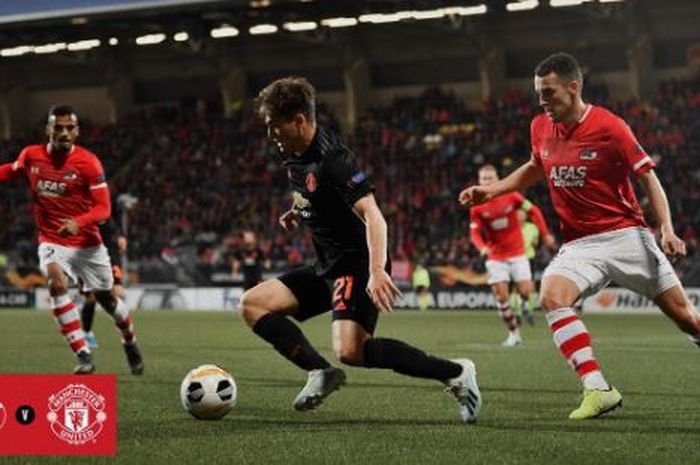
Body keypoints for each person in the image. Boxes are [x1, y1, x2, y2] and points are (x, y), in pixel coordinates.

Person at [459, 52, 700, 419]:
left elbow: (647, 177)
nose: (543, 101)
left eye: (550, 93)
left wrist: (665, 228)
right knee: (553, 297)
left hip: (626, 236)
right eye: (539, 93)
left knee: (686, 318)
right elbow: (534, 167)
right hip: (579, 244)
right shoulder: (540, 126)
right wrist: (491, 191)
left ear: (574, 87)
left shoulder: (610, 126)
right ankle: (597, 388)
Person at [240, 77, 481, 423]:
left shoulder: (333, 159)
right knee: (253, 303)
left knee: (351, 351)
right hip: (327, 265)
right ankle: (320, 372)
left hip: (356, 264)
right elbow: (315, 193)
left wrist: (378, 270)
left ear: (299, 121)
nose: (270, 135)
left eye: (274, 127)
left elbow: (374, 216)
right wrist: (299, 211)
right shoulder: (293, 153)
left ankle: (456, 372)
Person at [0, 104, 144, 375]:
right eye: (58, 127)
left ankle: (130, 341)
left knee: (108, 302)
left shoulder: (89, 163)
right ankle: (83, 353)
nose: (63, 132)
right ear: (49, 129)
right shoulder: (31, 156)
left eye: (69, 128)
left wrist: (79, 222)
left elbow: (104, 209)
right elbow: (13, 170)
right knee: (56, 284)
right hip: (52, 240)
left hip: (88, 245)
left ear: (76, 132)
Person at [468, 164, 555, 346]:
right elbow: (474, 232)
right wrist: (482, 247)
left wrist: (545, 234)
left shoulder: (512, 196)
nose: (487, 182)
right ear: (479, 181)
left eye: (490, 178)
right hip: (496, 257)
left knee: (526, 291)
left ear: (498, 179)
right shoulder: (476, 207)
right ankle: (514, 333)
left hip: (517, 254)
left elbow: (534, 211)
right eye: (483, 179)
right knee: (501, 296)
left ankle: (523, 306)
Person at [80, 217, 128, 349]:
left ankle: (126, 331)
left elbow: (114, 225)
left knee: (118, 293)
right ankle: (86, 333)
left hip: (110, 256)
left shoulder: (103, 210)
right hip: (87, 256)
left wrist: (121, 236)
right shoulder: (80, 210)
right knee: (91, 299)